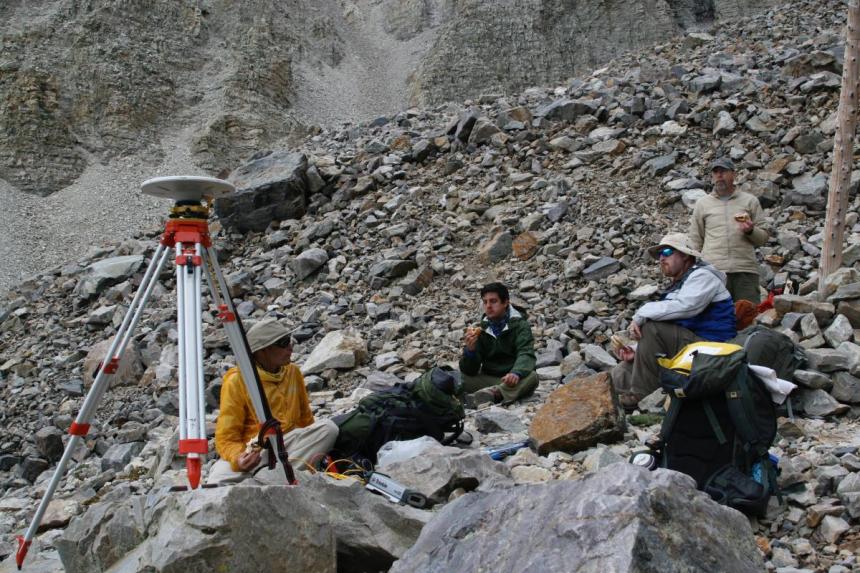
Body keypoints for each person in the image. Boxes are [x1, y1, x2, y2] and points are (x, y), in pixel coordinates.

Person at [611, 233, 736, 410]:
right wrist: (637, 350)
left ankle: (643, 396)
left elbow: (687, 307)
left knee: (652, 328)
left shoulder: (704, 276)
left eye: (668, 252)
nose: (662, 258)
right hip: (690, 346)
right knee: (622, 369)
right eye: (660, 254)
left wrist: (641, 313)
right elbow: (674, 326)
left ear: (685, 255)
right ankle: (611, 397)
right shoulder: (678, 285)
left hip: (713, 348)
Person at [208, 318, 338, 484]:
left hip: (289, 444)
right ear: (262, 351)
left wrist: (313, 444)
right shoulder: (238, 381)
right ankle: (278, 478)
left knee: (328, 429)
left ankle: (270, 480)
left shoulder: (293, 372)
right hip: (255, 451)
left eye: (289, 340)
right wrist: (239, 458)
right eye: (283, 343)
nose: (291, 347)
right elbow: (226, 438)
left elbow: (306, 421)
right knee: (216, 481)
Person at [689, 157, 768, 304]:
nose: (719, 175)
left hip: (744, 269)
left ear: (733, 174)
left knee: (747, 317)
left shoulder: (749, 201)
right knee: (716, 318)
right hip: (713, 271)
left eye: (723, 171)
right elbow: (695, 239)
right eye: (716, 172)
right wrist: (693, 270)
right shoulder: (703, 204)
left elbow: (763, 238)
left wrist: (751, 230)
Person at [459, 282, 538, 408]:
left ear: (505, 302)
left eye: (493, 301)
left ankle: (494, 394)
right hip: (489, 378)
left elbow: (526, 353)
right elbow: (470, 370)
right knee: (457, 376)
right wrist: (470, 351)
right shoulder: (482, 329)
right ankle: (485, 395)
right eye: (485, 302)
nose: (488, 306)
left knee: (532, 377)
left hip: (512, 380)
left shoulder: (520, 326)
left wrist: (516, 373)